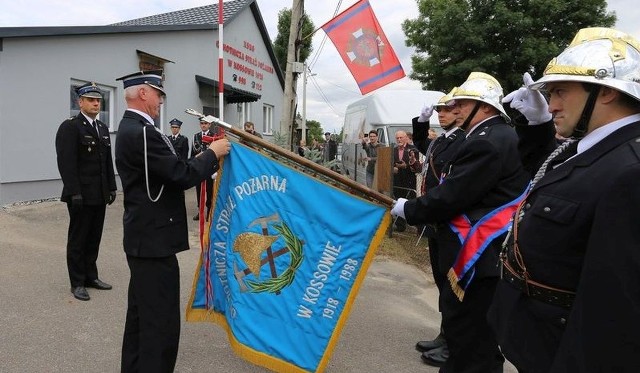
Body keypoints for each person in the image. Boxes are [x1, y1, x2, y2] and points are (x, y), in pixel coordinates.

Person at [489, 27, 640, 373]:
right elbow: (550, 179)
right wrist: (535, 128)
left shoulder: (630, 171)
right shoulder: (590, 148)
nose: (551, 104)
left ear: (605, 92)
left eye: (559, 92)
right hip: (537, 339)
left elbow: (616, 310)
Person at [391, 72, 530, 372]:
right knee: (475, 341)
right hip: (480, 251)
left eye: (464, 104)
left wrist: (410, 209)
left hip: (479, 255)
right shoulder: (488, 136)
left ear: (486, 107)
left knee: (470, 343)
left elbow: (454, 194)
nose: (455, 109)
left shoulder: (488, 141)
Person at [114, 70, 230, 373]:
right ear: (143, 94)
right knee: (159, 327)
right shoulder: (140, 131)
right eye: (158, 94)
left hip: (147, 238)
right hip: (152, 242)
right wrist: (213, 154)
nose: (160, 101)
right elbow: (180, 174)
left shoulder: (136, 129)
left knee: (141, 320)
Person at [411, 91, 466, 366]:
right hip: (435, 221)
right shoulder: (442, 139)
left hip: (450, 221)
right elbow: (422, 144)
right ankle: (445, 333)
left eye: (448, 110)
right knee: (440, 280)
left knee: (451, 284)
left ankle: (453, 340)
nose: (441, 114)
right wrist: (421, 121)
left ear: (461, 112)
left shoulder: (463, 139)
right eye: (439, 110)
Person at [55, 82, 117, 301]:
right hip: (80, 195)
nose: (95, 103)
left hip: (98, 194)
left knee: (94, 238)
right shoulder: (70, 126)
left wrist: (111, 186)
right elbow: (66, 163)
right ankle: (77, 282)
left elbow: (106, 161)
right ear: (80, 102)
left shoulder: (101, 128)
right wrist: (74, 192)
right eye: (90, 100)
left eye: (98, 100)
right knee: (78, 239)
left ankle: (91, 276)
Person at [392, 130, 421, 232]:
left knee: (411, 202)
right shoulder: (394, 149)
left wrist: (406, 166)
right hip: (397, 180)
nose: (399, 140)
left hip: (409, 180)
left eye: (401, 138)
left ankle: (416, 226)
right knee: (399, 201)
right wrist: (393, 168)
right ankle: (400, 225)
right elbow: (391, 162)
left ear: (405, 138)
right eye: (397, 138)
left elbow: (417, 165)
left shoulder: (413, 150)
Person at [190, 117, 215, 221]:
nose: (203, 125)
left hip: (210, 168)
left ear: (209, 125)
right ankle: (200, 212)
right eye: (202, 123)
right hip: (199, 168)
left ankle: (209, 211)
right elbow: (193, 153)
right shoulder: (196, 136)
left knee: (209, 190)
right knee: (199, 191)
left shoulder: (214, 136)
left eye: (206, 123)